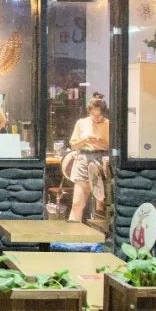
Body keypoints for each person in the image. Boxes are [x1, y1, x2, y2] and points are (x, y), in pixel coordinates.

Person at [67, 94, 110, 223]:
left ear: (103, 113)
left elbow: (112, 146)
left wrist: (99, 140)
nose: (96, 117)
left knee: (101, 203)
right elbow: (74, 145)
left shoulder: (108, 124)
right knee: (77, 203)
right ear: (89, 112)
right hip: (84, 158)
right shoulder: (81, 123)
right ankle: (73, 232)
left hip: (102, 159)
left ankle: (100, 232)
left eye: (99, 115)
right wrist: (85, 140)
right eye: (93, 114)